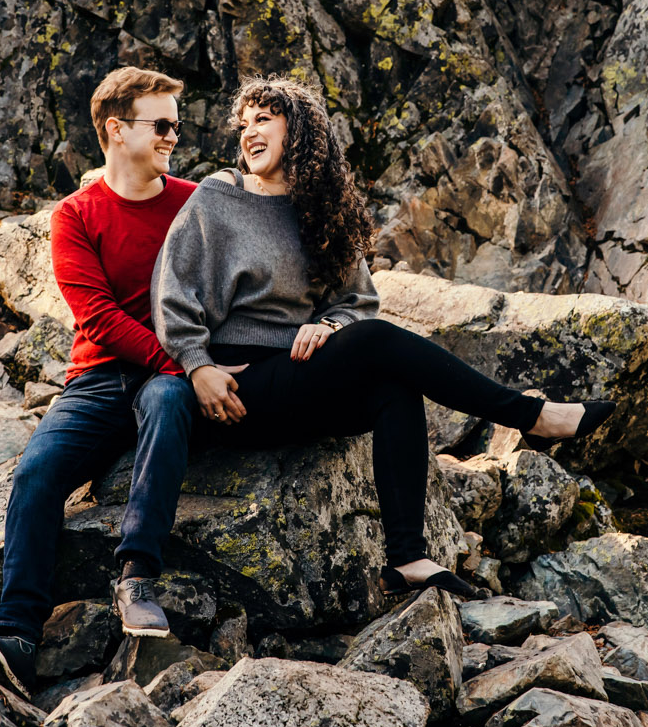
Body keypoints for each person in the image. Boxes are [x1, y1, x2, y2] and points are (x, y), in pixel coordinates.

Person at [151, 76, 614, 598]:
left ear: (298, 130)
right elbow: (171, 291)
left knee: (394, 388)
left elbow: (357, 301)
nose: (249, 134)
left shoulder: (318, 208)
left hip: (299, 380)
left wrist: (328, 324)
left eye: (264, 119)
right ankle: (531, 415)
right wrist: (197, 364)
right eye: (244, 124)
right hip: (236, 387)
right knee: (377, 343)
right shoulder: (218, 196)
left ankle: (407, 558)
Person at [0, 66, 209, 699]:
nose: (174, 136)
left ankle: (137, 578)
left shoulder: (196, 203)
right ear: (117, 130)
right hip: (98, 378)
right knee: (37, 475)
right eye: (162, 124)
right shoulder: (76, 215)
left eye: (177, 124)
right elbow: (96, 316)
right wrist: (184, 364)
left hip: (169, 377)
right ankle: (15, 634)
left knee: (171, 399)